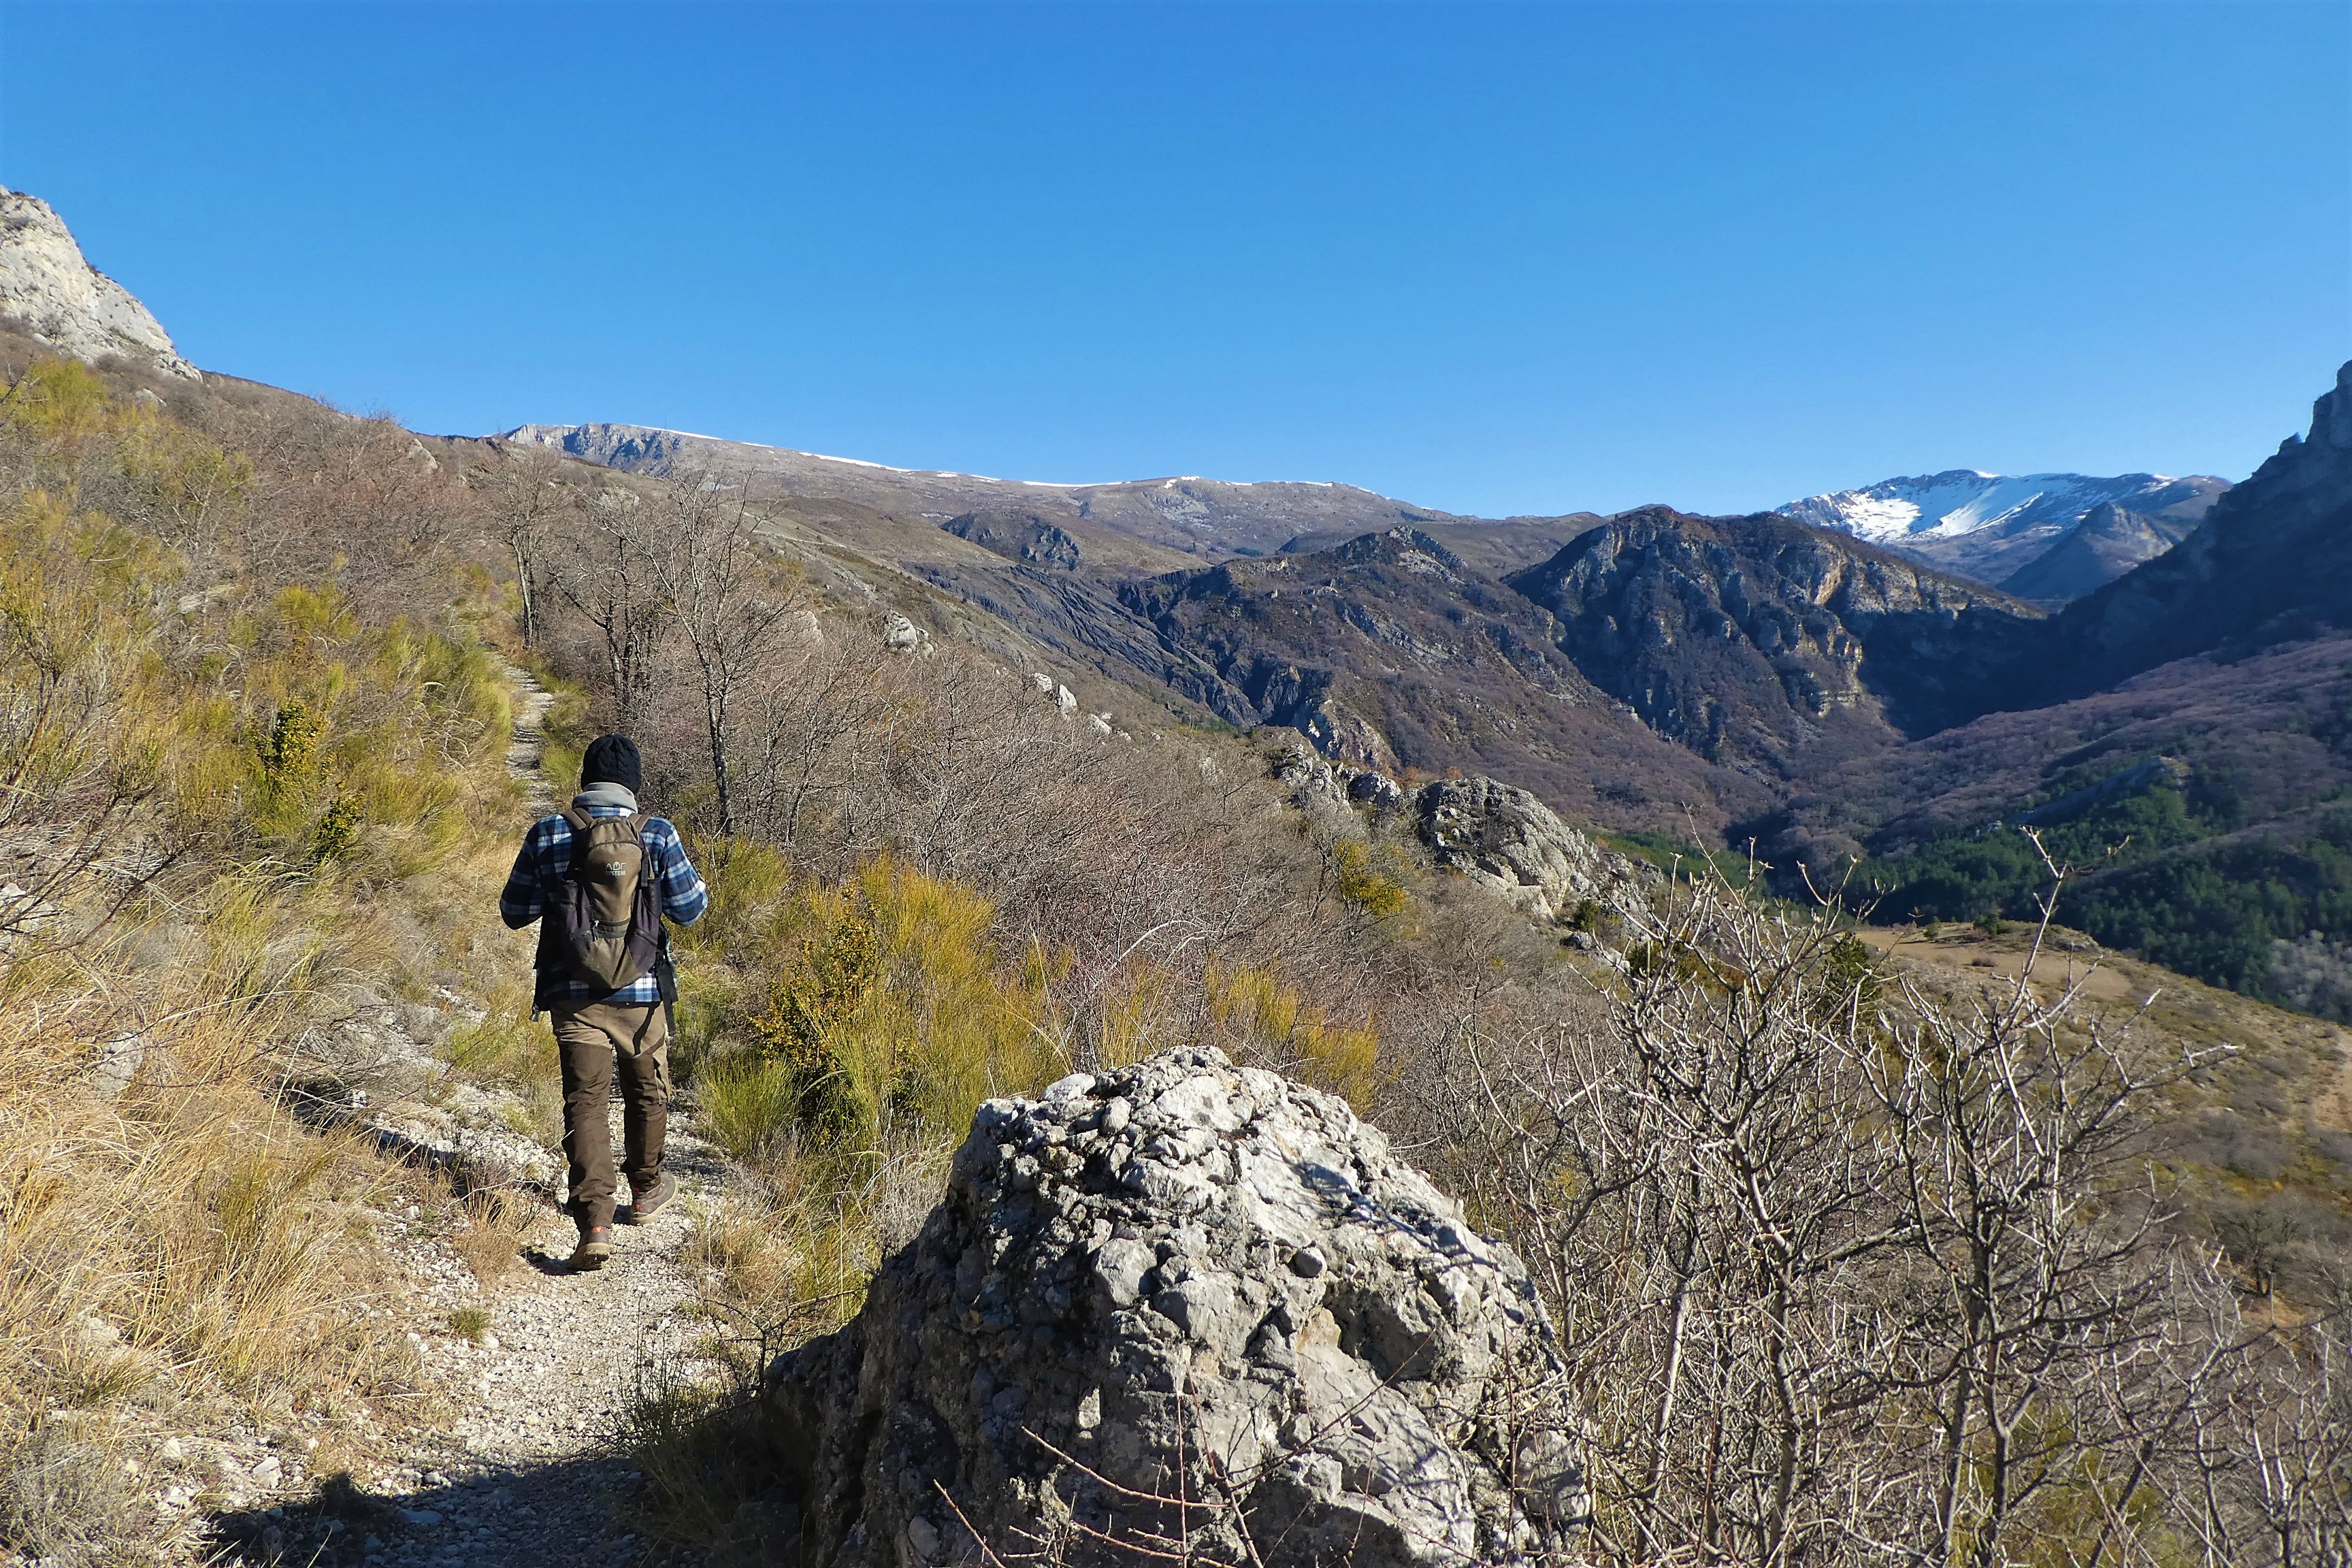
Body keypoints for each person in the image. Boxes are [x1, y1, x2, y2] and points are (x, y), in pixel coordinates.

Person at [498, 734, 707, 1271]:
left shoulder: (549, 832)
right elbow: (689, 910)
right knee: (646, 1090)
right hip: (642, 994)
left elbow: (514, 911)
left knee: (585, 1101)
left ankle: (593, 1222)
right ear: (634, 785)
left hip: (573, 992)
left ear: (585, 780)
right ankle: (645, 1191)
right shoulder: (656, 832)